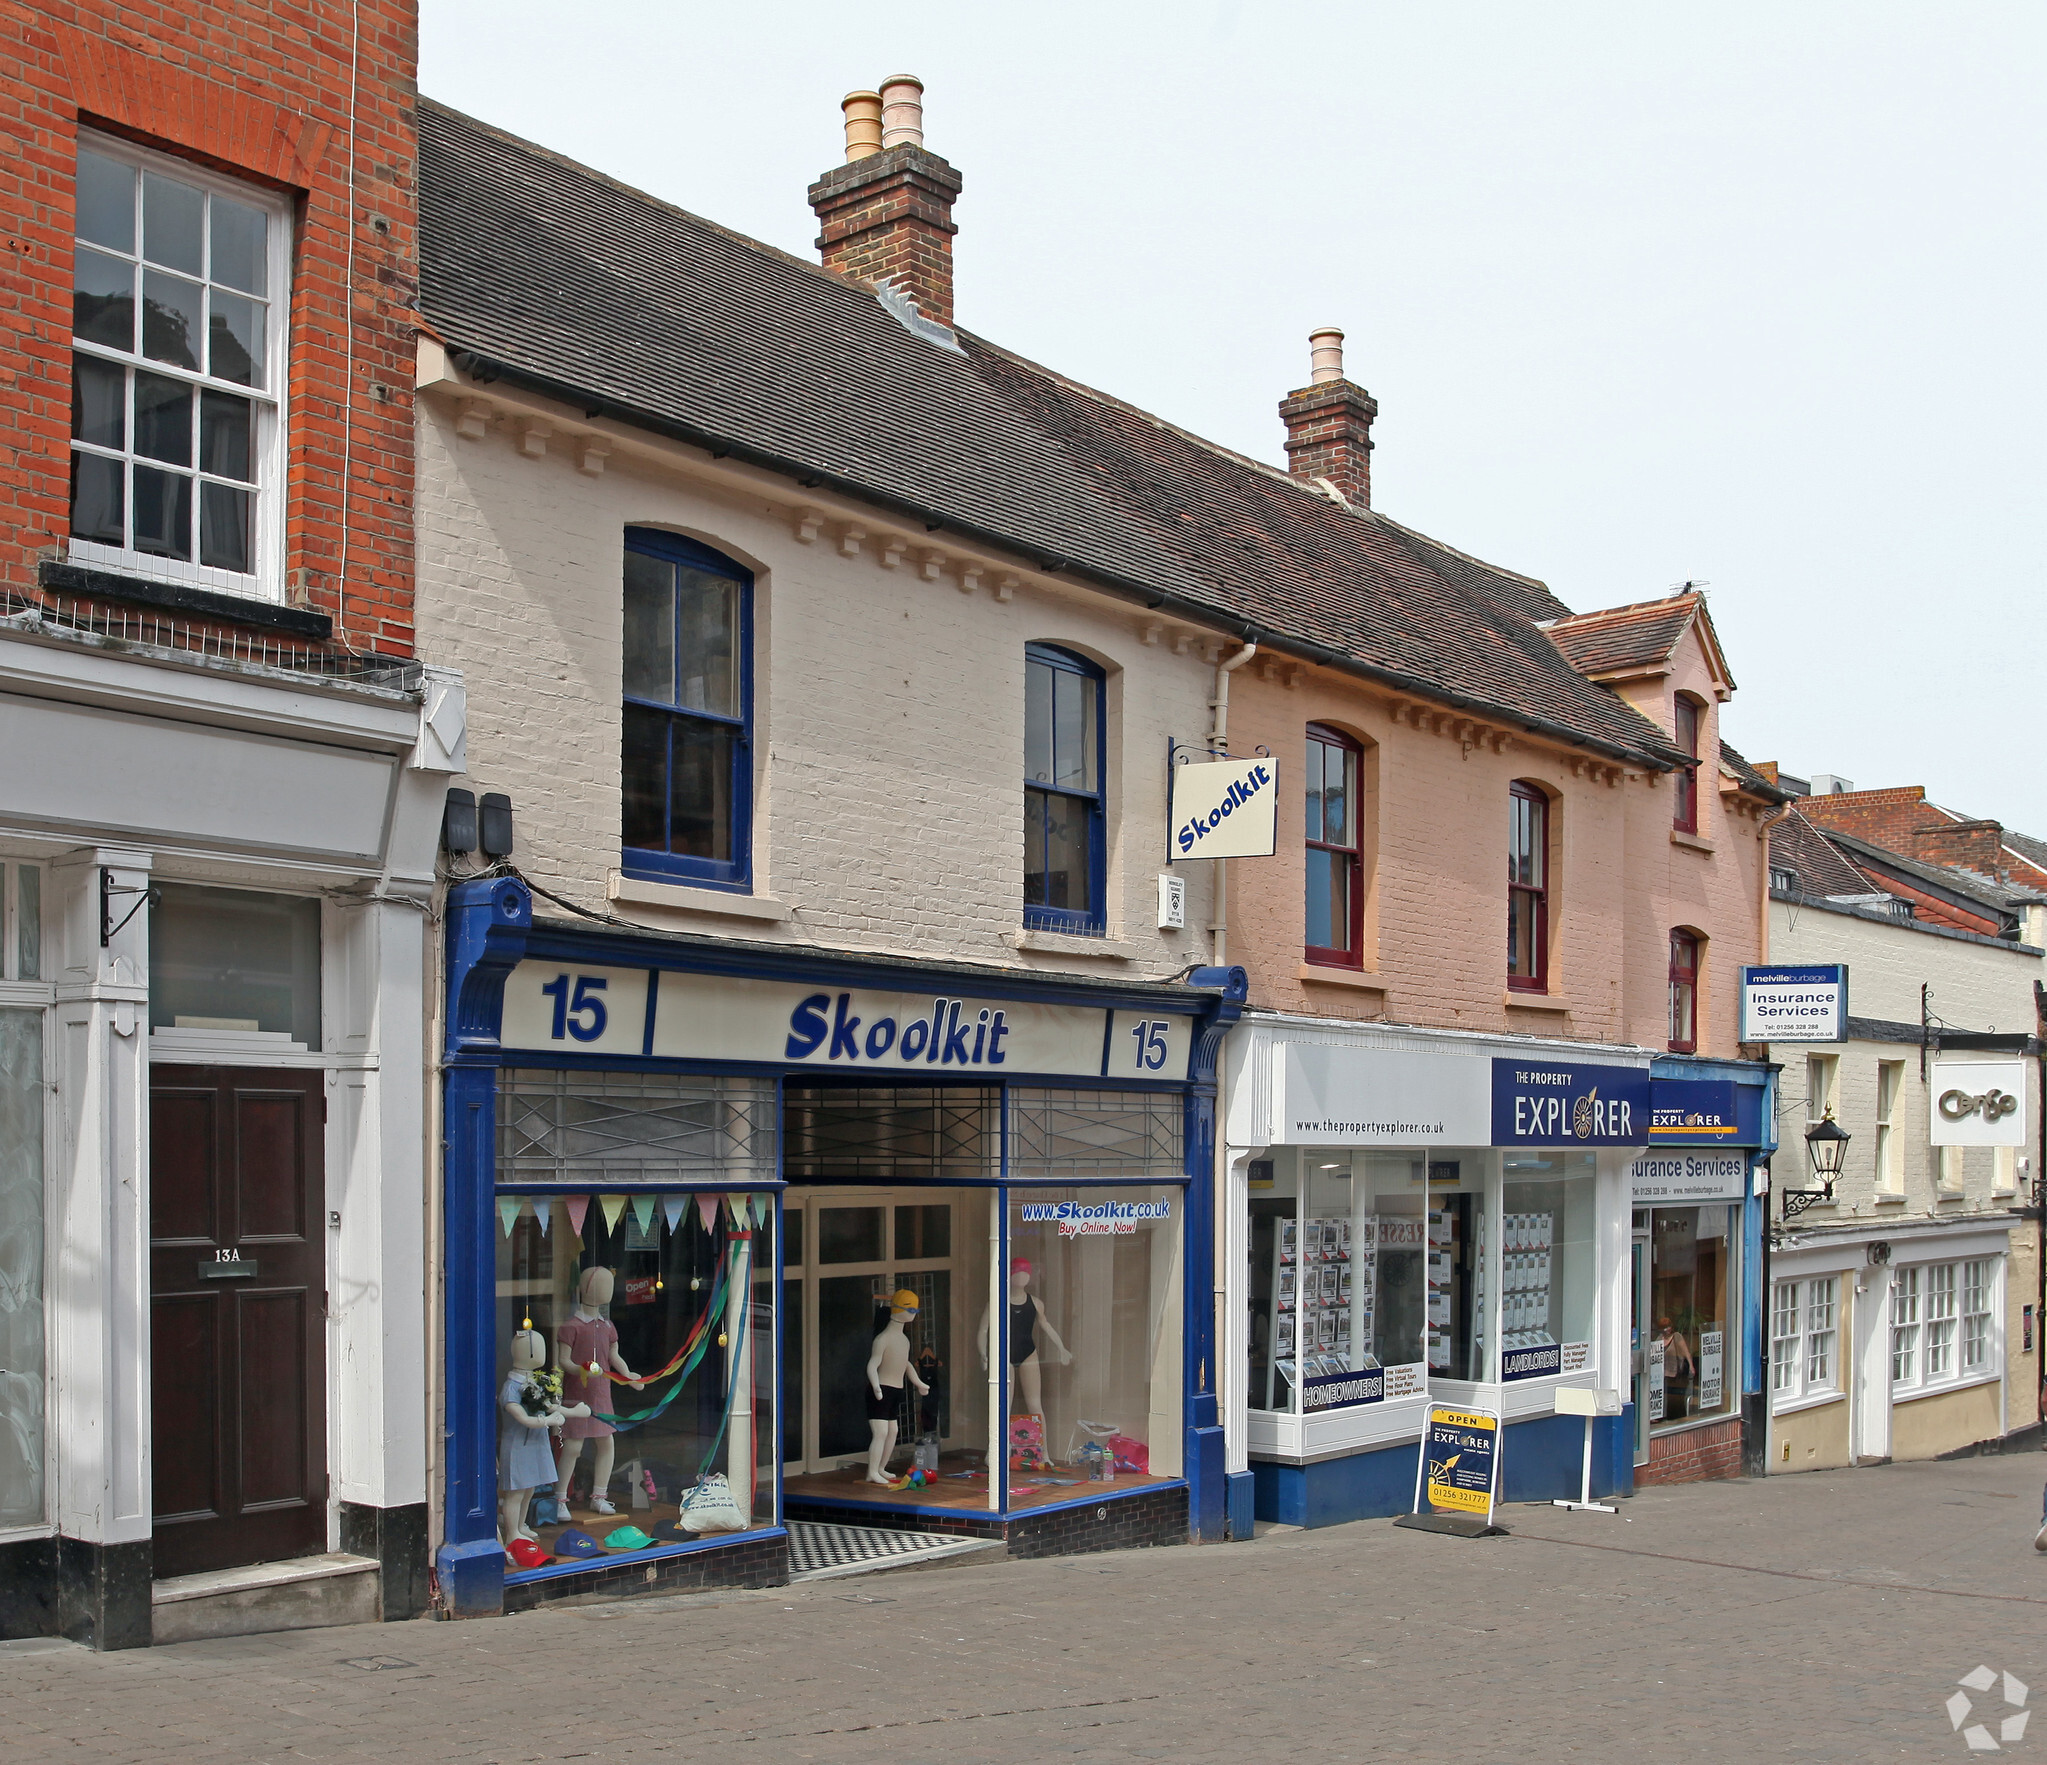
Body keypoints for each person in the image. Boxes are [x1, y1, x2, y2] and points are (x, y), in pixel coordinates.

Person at [1658, 1317, 1696, 1420]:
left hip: (1675, 1373)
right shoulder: (1659, 1338)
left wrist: (1691, 1366)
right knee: (1664, 1395)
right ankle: (1664, 1415)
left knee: (1675, 1397)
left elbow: (1686, 1351)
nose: (1668, 1329)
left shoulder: (1676, 1336)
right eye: (1665, 1327)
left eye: (1669, 1326)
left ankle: (1677, 1416)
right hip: (1663, 1372)